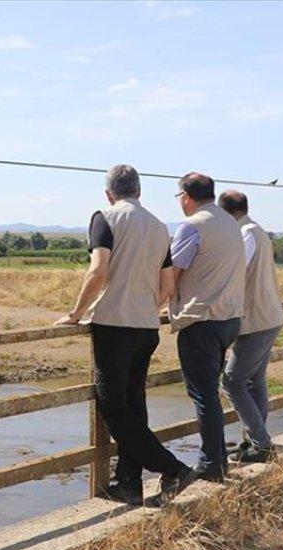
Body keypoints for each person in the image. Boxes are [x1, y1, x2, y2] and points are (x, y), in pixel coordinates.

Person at [56, 164, 195, 506]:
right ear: (140, 191)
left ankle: (174, 468)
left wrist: (76, 314)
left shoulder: (105, 217)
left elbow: (98, 270)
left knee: (113, 407)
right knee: (134, 406)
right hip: (147, 327)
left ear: (109, 194)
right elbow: (168, 285)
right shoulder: (160, 227)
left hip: (114, 326)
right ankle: (129, 484)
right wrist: (149, 304)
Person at [165, 172, 246, 491]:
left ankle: (212, 463)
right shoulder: (230, 224)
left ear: (186, 195)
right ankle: (218, 459)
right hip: (229, 318)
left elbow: (173, 273)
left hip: (202, 320)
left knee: (203, 393)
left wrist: (157, 302)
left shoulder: (192, 226)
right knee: (209, 390)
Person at [218, 190, 283, 463]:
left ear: (224, 213)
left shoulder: (244, 234)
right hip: (270, 317)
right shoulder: (258, 231)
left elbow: (235, 271)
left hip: (256, 319)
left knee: (231, 382)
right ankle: (255, 441)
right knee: (254, 381)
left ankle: (262, 444)